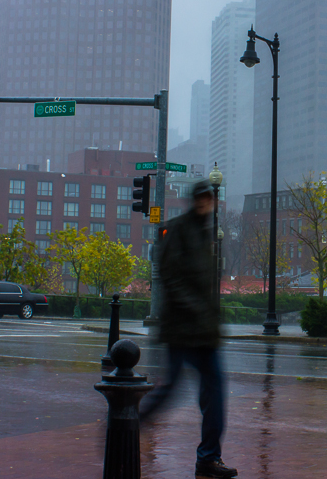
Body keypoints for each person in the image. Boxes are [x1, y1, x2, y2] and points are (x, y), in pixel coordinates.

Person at [139, 180, 237, 479]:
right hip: (182, 329)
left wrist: (210, 317)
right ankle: (128, 422)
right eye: (202, 198)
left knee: (215, 393)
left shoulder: (206, 232)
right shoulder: (178, 229)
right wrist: (197, 310)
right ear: (194, 200)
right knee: (171, 389)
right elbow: (171, 277)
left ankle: (209, 458)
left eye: (210, 198)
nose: (206, 203)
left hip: (203, 332)